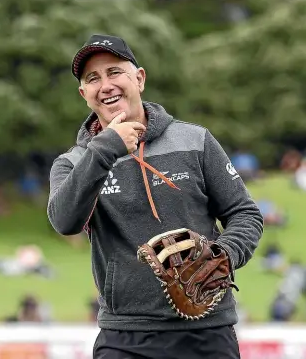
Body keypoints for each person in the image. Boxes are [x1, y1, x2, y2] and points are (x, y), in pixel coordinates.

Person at [47, 34, 264, 359]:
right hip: (124, 337)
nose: (105, 85)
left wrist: (223, 255)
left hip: (207, 334)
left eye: (115, 72)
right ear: (84, 94)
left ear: (140, 78)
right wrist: (106, 147)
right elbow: (65, 221)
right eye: (93, 78)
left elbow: (245, 214)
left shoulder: (196, 141)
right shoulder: (74, 162)